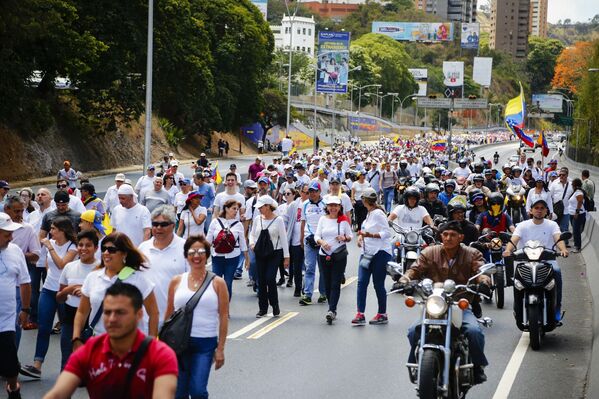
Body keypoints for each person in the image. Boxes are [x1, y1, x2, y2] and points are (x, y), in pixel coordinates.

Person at [43, 283, 178, 399]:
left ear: (139, 315)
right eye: (107, 312)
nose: (112, 319)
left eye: (120, 312)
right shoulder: (89, 350)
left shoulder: (160, 355)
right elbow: (57, 394)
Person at [397, 221, 491, 384]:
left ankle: (477, 367)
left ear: (461, 237)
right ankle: (415, 363)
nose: (448, 238)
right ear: (441, 236)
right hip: (434, 303)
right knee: (414, 331)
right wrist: (404, 279)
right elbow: (415, 269)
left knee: (475, 332)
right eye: (445, 234)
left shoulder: (472, 253)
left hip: (459, 304)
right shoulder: (429, 252)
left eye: (453, 235)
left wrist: (484, 281)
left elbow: (480, 270)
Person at [164, 236, 228, 399]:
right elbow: (169, 315)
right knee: (179, 393)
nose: (196, 256)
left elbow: (223, 316)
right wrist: (161, 345)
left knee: (198, 390)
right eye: (192, 252)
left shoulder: (218, 283)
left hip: (204, 343)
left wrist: (220, 349)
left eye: (201, 252)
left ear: (207, 255)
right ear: (186, 255)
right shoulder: (176, 281)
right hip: (178, 344)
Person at [71, 232, 159, 350]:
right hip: (99, 344)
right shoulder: (93, 277)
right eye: (104, 249)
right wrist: (76, 338)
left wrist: (151, 344)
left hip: (131, 346)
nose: (106, 253)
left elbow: (153, 313)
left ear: (124, 254)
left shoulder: (139, 279)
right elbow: (82, 312)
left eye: (112, 249)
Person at [20, 216, 77, 380]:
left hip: (65, 292)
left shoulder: (72, 247)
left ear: (62, 231)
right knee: (44, 327)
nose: (50, 232)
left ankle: (69, 367)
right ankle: (37, 365)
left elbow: (61, 264)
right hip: (48, 289)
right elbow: (48, 265)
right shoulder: (50, 244)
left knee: (67, 332)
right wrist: (49, 278)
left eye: (53, 229)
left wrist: (49, 247)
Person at [503, 198, 568, 321]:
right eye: (536, 208)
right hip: (525, 262)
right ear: (530, 211)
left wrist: (563, 249)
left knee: (557, 272)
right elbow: (514, 240)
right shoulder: (522, 225)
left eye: (542, 208)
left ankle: (556, 308)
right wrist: (508, 250)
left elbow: (558, 238)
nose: (539, 211)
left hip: (547, 262)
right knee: (517, 281)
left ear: (546, 211)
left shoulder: (552, 225)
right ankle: (517, 309)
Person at [56, 231, 99, 369]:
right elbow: (59, 297)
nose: (83, 248)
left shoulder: (101, 269)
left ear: (96, 248)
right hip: (69, 317)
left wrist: (86, 292)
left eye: (88, 245)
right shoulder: (69, 267)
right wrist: (69, 290)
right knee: (67, 358)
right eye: (80, 245)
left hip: (93, 320)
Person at [0, 212, 32, 399]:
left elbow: (25, 281)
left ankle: (13, 388)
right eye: (7, 234)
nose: (11, 238)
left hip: (6, 321)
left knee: (11, 367)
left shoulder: (15, 251)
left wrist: (25, 309)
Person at [139, 206, 187, 326]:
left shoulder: (186, 248)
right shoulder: (143, 248)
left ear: (172, 225)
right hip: (145, 320)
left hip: (175, 320)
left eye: (163, 224)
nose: (158, 228)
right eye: (155, 224)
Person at [3, 196, 40, 346]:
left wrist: (17, 255)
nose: (19, 214)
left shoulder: (27, 229)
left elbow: (36, 254)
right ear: (7, 209)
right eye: (16, 211)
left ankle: (13, 359)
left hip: (16, 286)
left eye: (21, 211)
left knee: (14, 324)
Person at [353, 188, 392, 325]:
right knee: (362, 282)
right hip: (367, 252)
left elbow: (386, 233)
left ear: (365, 200)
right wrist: (361, 239)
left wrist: (370, 235)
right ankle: (360, 313)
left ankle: (382, 313)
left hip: (380, 252)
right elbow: (364, 231)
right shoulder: (369, 214)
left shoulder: (378, 214)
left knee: (378, 284)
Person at [314, 195, 352, 324]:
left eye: (335, 206)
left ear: (339, 207)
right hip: (324, 255)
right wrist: (322, 242)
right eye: (330, 206)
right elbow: (317, 235)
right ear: (327, 207)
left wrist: (344, 238)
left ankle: (332, 309)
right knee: (327, 282)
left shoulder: (343, 220)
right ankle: (332, 307)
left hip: (339, 255)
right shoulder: (322, 219)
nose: (333, 208)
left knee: (335, 283)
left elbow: (350, 235)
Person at [249, 196, 289, 317]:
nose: (260, 209)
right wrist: (252, 243)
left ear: (268, 206)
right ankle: (263, 308)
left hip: (274, 253)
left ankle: (274, 304)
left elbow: (283, 238)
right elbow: (252, 234)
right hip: (260, 252)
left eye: (261, 207)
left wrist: (286, 257)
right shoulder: (257, 219)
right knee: (261, 280)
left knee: (270, 278)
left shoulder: (279, 220)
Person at [206, 199, 249, 300]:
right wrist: (204, 256)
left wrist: (247, 259)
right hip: (217, 257)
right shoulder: (215, 222)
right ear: (226, 209)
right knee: (216, 282)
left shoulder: (238, 225)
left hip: (233, 257)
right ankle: (216, 308)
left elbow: (243, 243)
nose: (236, 211)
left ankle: (225, 310)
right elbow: (208, 240)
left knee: (227, 283)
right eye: (234, 208)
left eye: (237, 209)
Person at [299, 182, 326, 306]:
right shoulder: (304, 205)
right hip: (309, 239)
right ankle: (307, 294)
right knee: (309, 267)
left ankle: (323, 293)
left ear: (319, 192)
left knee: (323, 268)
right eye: (310, 191)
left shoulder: (325, 204)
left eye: (315, 191)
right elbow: (303, 223)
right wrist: (302, 239)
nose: (312, 194)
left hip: (322, 240)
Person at [285, 186, 307, 296]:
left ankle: (306, 287)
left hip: (309, 240)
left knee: (309, 266)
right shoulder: (294, 205)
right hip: (295, 241)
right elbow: (286, 220)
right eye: (305, 192)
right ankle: (298, 287)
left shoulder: (313, 205)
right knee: (297, 266)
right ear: (300, 192)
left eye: (309, 192)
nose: (307, 194)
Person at [549, 168, 573, 243]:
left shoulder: (571, 185)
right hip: (556, 209)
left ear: (567, 175)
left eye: (563, 175)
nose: (561, 176)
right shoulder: (554, 184)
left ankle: (564, 243)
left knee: (564, 227)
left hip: (566, 210)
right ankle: (554, 242)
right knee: (555, 227)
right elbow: (549, 196)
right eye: (560, 175)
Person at [569, 178, 586, 253]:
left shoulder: (579, 192)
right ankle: (576, 245)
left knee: (576, 231)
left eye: (572, 184)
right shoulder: (575, 191)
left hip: (577, 215)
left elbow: (580, 202)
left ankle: (577, 247)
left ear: (575, 185)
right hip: (572, 214)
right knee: (575, 230)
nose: (572, 185)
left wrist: (577, 212)